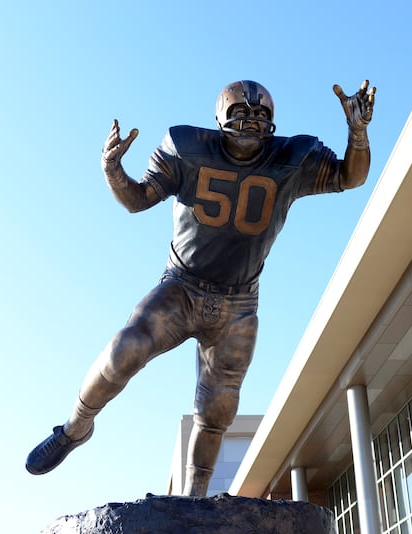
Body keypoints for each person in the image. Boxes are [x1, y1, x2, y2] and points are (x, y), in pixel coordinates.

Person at [26, 79, 376, 496]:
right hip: (182, 286)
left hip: (239, 301)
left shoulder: (291, 158)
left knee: (218, 408)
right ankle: (74, 428)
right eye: (240, 114)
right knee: (126, 349)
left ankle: (194, 500)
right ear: (220, 118)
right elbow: (138, 200)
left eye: (260, 115)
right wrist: (113, 170)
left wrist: (357, 134)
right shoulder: (186, 147)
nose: (250, 122)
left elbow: (350, 177)